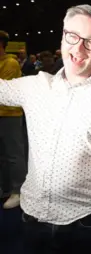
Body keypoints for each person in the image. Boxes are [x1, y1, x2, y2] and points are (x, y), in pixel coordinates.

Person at [0, 5, 91, 254]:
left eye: (90, 42)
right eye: (72, 36)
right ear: (63, 36)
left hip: (85, 224)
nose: (78, 48)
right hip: (33, 218)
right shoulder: (36, 86)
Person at [0, 30, 26, 209]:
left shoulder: (11, 63)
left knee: (14, 154)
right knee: (2, 155)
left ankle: (19, 191)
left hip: (10, 115)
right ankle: (5, 188)